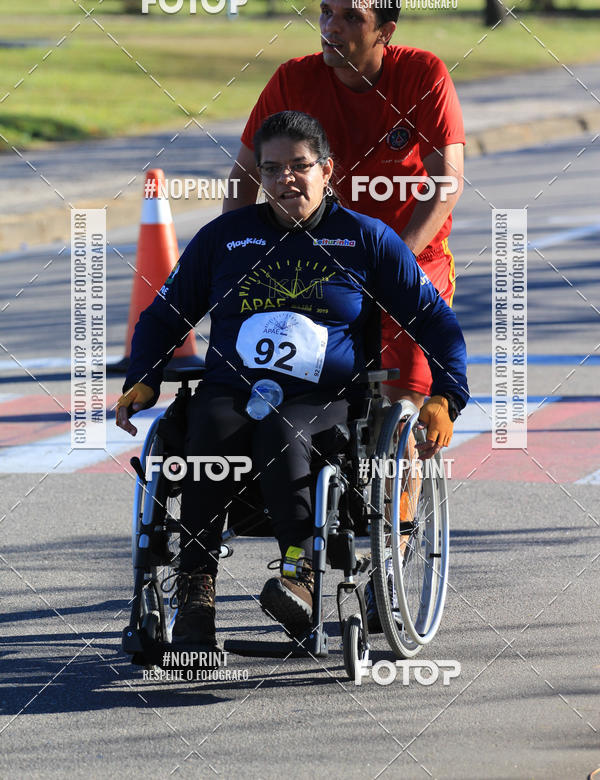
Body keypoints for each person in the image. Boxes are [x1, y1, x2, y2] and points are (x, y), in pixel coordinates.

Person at [116, 111, 469, 651]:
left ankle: (300, 576)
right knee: (206, 424)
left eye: (300, 166)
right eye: (273, 168)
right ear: (259, 176)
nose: (287, 179)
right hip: (233, 391)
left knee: (284, 428)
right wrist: (143, 378)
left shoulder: (365, 239)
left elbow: (433, 319)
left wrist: (447, 394)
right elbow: (166, 315)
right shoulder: (225, 238)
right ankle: (195, 597)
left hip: (324, 400)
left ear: (327, 170)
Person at [224, 0, 465, 414]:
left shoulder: (423, 74)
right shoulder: (292, 79)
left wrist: (396, 259)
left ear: (385, 31)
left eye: (352, 17)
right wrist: (236, 252)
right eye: (326, 12)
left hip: (410, 257)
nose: (331, 26)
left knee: (401, 410)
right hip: (320, 262)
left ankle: (403, 474)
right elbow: (244, 176)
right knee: (297, 398)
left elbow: (447, 180)